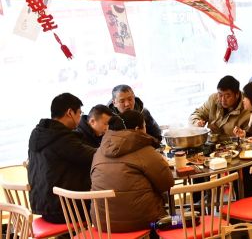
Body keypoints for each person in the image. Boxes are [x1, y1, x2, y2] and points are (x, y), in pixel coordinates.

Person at [90, 110, 173, 232]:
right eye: (145, 126)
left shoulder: (99, 152)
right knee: (183, 219)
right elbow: (167, 183)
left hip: (102, 224)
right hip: (143, 223)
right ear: (137, 129)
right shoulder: (145, 151)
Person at [28, 93, 97, 224]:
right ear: (70, 112)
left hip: (44, 207)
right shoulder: (61, 138)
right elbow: (93, 156)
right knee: (111, 204)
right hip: (63, 210)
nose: (80, 118)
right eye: (79, 113)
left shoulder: (39, 133)